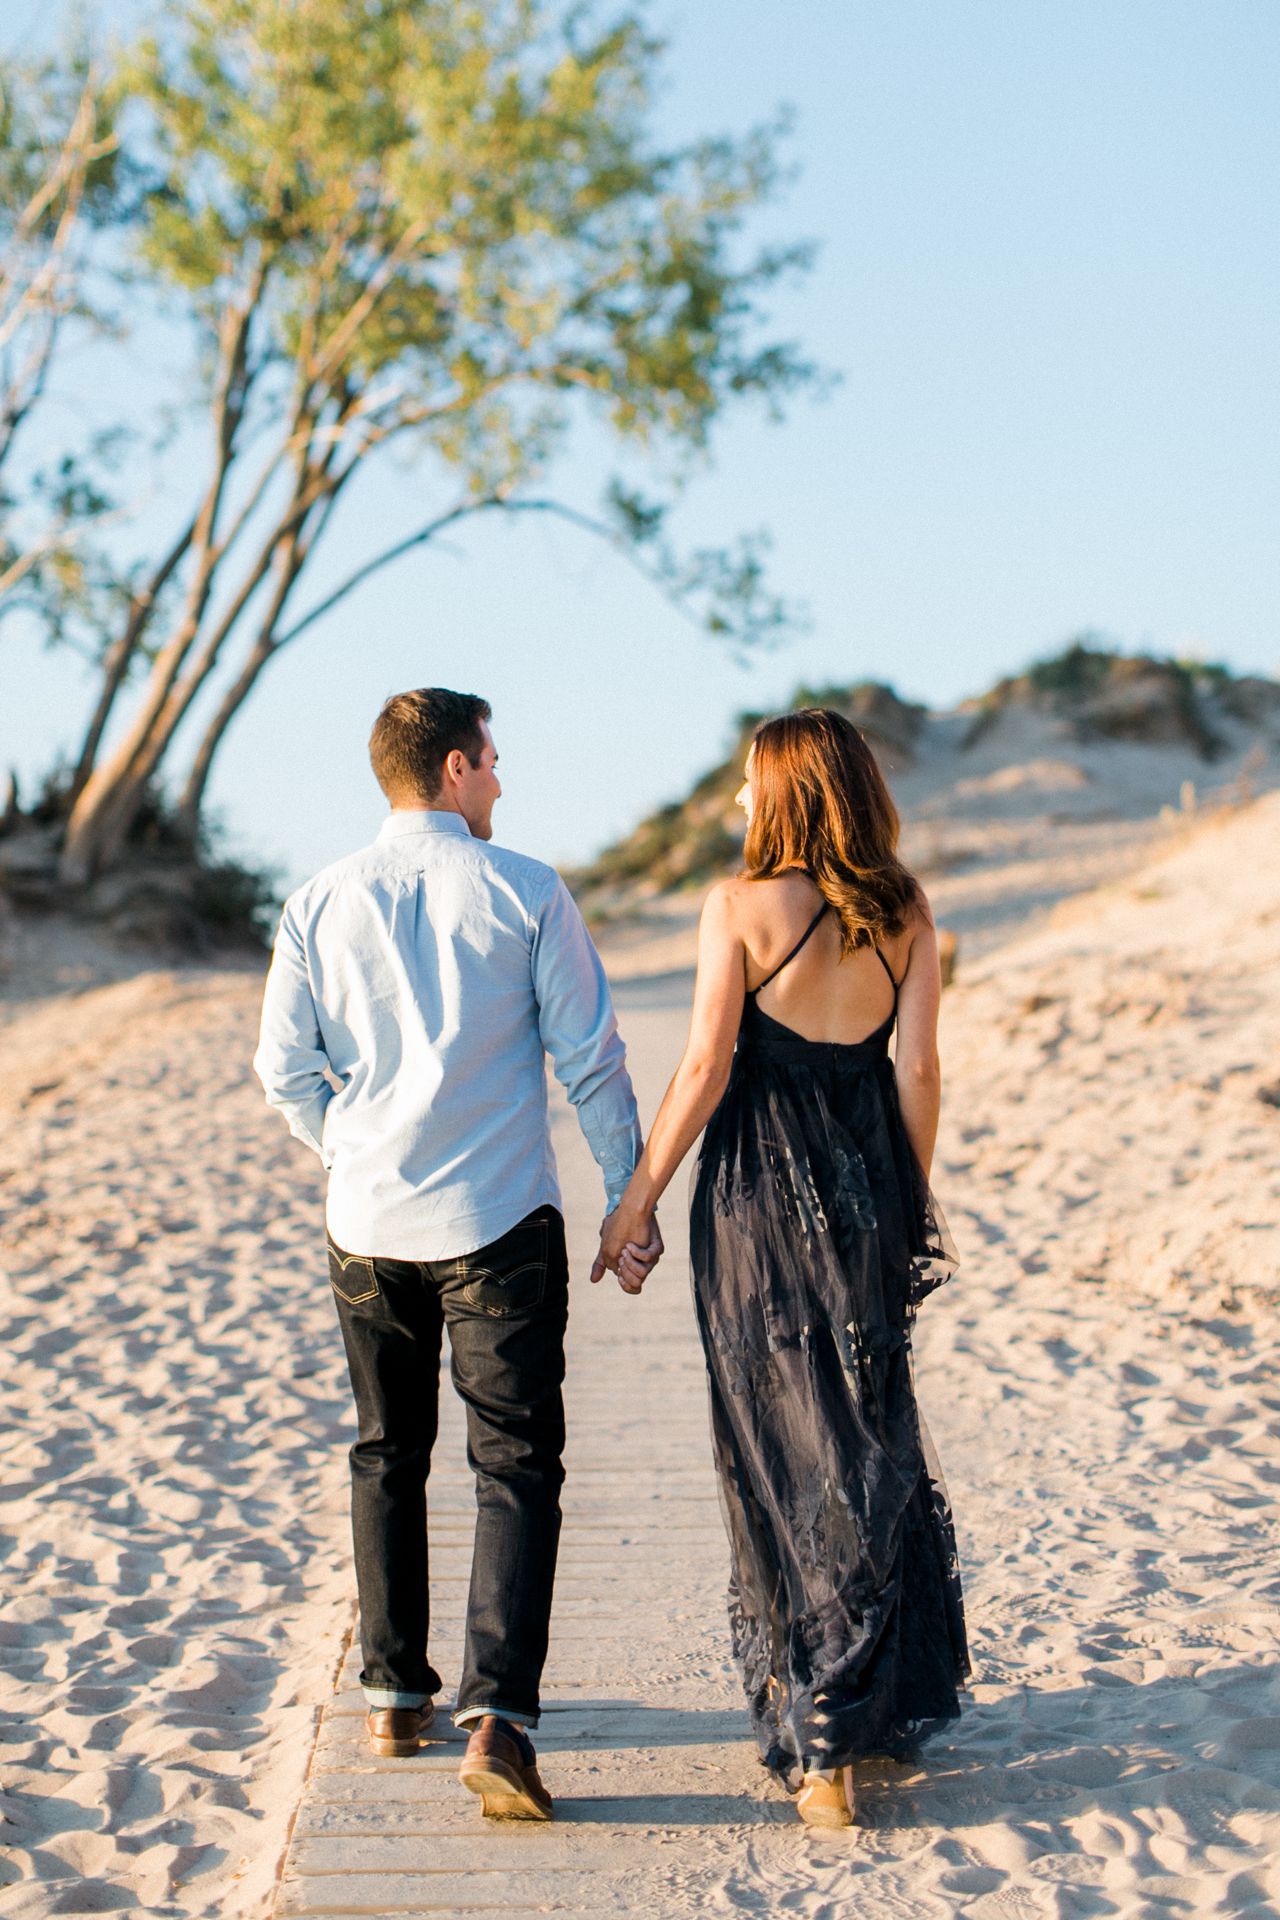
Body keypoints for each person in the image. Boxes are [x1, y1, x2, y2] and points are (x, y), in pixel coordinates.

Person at [254, 687, 660, 1823]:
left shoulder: (317, 901)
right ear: (449, 769)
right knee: (514, 1464)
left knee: (386, 1450)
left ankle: (390, 1691)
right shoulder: (525, 889)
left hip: (365, 1225)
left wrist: (351, 1150)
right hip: (496, 1221)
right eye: (489, 761)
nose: (500, 780)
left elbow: (284, 1073)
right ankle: (498, 1718)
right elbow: (591, 1060)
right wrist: (630, 1198)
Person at [598, 707, 970, 1829]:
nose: (742, 799)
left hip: (756, 1202)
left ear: (786, 790)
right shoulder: (901, 910)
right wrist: (901, 1195)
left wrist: (636, 1199)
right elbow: (917, 1071)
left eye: (752, 781)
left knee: (774, 1443)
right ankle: (866, 1699)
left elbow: (706, 1064)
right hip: (864, 1193)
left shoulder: (738, 906)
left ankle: (820, 1743)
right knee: (860, 1429)